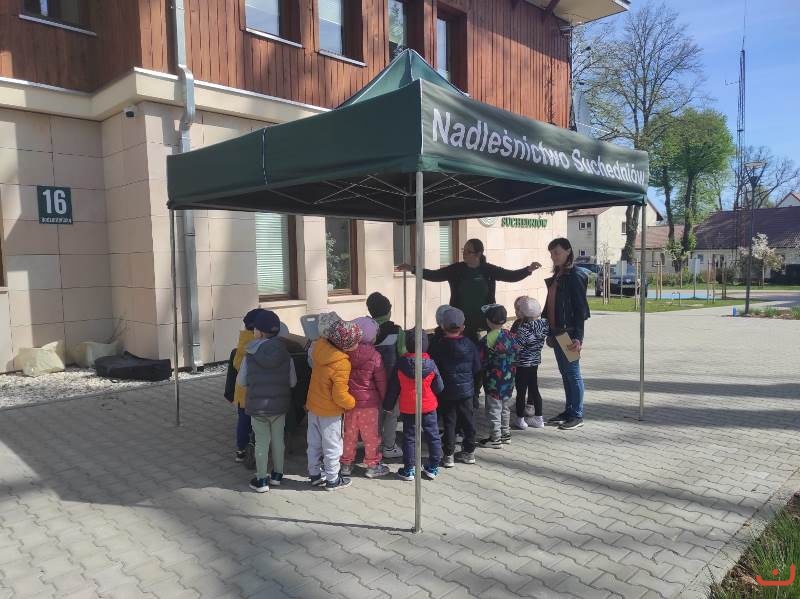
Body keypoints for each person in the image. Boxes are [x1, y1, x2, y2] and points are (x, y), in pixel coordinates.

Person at [400, 239, 541, 339]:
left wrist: (527, 270)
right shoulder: (456, 269)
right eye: (464, 250)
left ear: (478, 254)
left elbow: (510, 276)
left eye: (468, 251)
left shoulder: (488, 270)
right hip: (462, 323)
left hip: (486, 322)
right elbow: (435, 275)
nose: (464, 254)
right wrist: (413, 269)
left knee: (484, 357)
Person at [236, 311, 296, 493]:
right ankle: (277, 475)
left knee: (261, 442)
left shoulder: (249, 355)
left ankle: (261, 480)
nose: (253, 331)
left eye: (255, 329)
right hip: (279, 407)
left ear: (260, 332)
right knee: (278, 440)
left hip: (258, 408)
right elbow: (293, 382)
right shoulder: (286, 354)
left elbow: (241, 382)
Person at [305, 315, 360, 490]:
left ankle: (314, 474)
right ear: (346, 344)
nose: (358, 344)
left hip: (313, 407)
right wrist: (351, 403)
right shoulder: (341, 363)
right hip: (330, 413)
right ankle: (332, 479)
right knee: (332, 446)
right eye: (355, 342)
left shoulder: (319, 349)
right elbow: (339, 395)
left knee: (314, 443)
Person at [542, 238, 590, 431]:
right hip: (557, 332)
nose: (553, 257)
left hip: (569, 334)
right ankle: (569, 411)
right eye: (551, 253)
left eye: (557, 253)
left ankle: (577, 414)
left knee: (573, 373)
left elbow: (581, 310)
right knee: (565, 373)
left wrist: (578, 338)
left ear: (568, 251)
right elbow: (549, 305)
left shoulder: (575, 275)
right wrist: (548, 331)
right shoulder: (558, 275)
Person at [384, 329, 444, 481]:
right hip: (428, 406)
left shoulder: (400, 364)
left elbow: (393, 388)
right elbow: (439, 387)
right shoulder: (431, 364)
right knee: (433, 435)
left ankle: (409, 469)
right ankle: (433, 466)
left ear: (407, 345)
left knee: (409, 437)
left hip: (409, 406)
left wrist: (388, 406)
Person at [428, 307, 481, 467]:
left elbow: (434, 368)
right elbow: (477, 367)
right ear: (463, 327)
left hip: (447, 391)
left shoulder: (439, 346)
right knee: (468, 420)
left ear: (442, 326)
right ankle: (469, 451)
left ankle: (448, 455)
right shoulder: (470, 344)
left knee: (449, 422)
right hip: (466, 391)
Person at [340, 317, 390, 479]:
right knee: (371, 436)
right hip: (369, 403)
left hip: (349, 402)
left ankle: (346, 464)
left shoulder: (345, 353)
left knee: (349, 434)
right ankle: (372, 465)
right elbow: (381, 381)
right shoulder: (375, 355)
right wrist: (385, 399)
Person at [366, 292, 404, 460]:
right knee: (391, 413)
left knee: (373, 414)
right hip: (391, 382)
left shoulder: (366, 330)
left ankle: (371, 445)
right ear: (389, 311)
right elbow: (403, 353)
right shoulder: (397, 331)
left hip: (369, 382)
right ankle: (389, 446)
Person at [478, 304, 520, 448]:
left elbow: (480, 361)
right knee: (505, 407)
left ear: (488, 320)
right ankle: (505, 434)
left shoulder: (487, 339)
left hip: (493, 382)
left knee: (494, 409)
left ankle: (495, 438)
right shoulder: (510, 335)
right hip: (509, 380)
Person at [230, 308, 264, 463]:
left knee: (243, 421)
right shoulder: (258, 343)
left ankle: (241, 450)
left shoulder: (243, 341)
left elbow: (236, 364)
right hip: (254, 391)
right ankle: (257, 447)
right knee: (255, 421)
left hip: (241, 392)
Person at [510, 296, 550, 430]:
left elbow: (516, 347)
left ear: (522, 313)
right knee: (534, 389)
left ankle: (520, 420)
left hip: (522, 364)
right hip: (534, 363)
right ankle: (539, 419)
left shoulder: (523, 329)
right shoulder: (544, 325)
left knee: (521, 392)